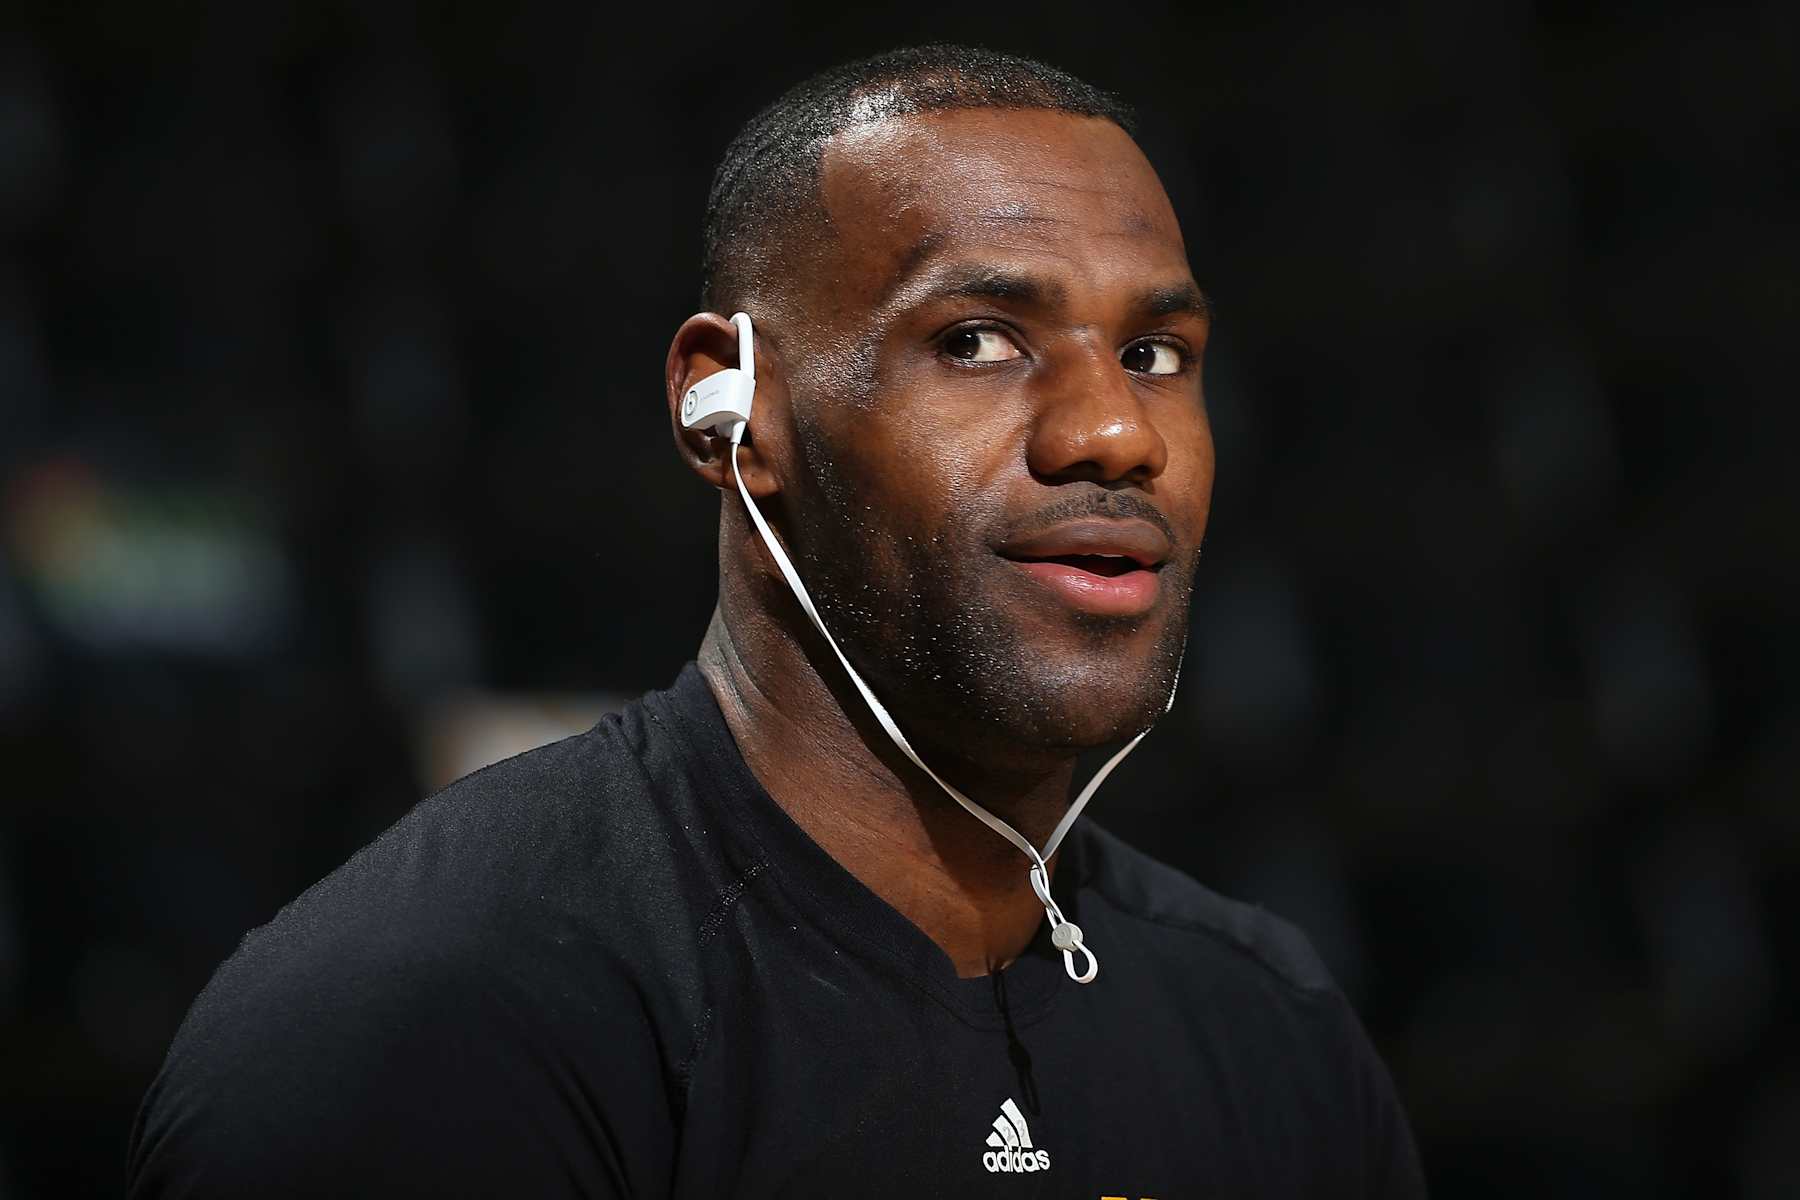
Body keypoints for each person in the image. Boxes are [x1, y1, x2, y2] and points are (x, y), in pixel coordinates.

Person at [130, 45, 1425, 1198]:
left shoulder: (1269, 1023)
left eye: (1155, 357)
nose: (1113, 432)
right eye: (977, 340)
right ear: (734, 411)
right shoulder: (435, 1019)